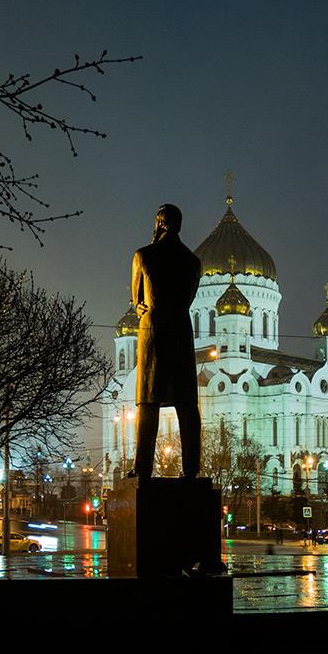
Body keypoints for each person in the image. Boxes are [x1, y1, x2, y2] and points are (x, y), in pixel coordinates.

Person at [130, 204, 202, 478]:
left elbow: (138, 302)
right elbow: (190, 297)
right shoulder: (193, 261)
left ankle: (142, 470)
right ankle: (191, 472)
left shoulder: (144, 256)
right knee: (187, 405)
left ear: (158, 223)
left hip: (153, 331)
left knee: (148, 403)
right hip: (182, 331)